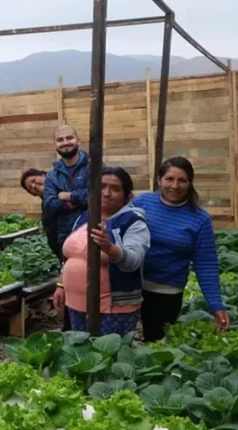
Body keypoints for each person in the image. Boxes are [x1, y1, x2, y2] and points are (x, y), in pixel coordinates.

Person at [132, 156, 230, 341]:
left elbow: (206, 265)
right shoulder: (142, 203)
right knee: (122, 340)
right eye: (169, 179)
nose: (175, 186)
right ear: (159, 180)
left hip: (166, 292)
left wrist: (216, 305)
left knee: (156, 344)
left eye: (182, 180)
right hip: (130, 285)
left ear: (190, 183)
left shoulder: (199, 218)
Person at [52, 167, 150, 336]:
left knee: (108, 350)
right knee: (81, 349)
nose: (106, 193)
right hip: (76, 303)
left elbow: (134, 260)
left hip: (114, 308)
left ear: (126, 196)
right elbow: (70, 256)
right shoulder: (84, 217)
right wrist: (61, 285)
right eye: (102, 187)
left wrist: (110, 248)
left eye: (115, 189)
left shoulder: (132, 221)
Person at [21, 167, 69, 332]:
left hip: (70, 249)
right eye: (30, 188)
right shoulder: (47, 201)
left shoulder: (61, 193)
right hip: (62, 251)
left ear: (45, 176)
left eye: (34, 181)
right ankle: (69, 328)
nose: (34, 186)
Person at [43, 125, 103, 255]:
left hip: (94, 233)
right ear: (55, 145)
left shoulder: (94, 166)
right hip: (66, 236)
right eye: (60, 140)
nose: (65, 143)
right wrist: (76, 202)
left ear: (78, 141)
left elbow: (98, 196)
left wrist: (69, 196)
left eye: (69, 138)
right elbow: (49, 205)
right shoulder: (52, 176)